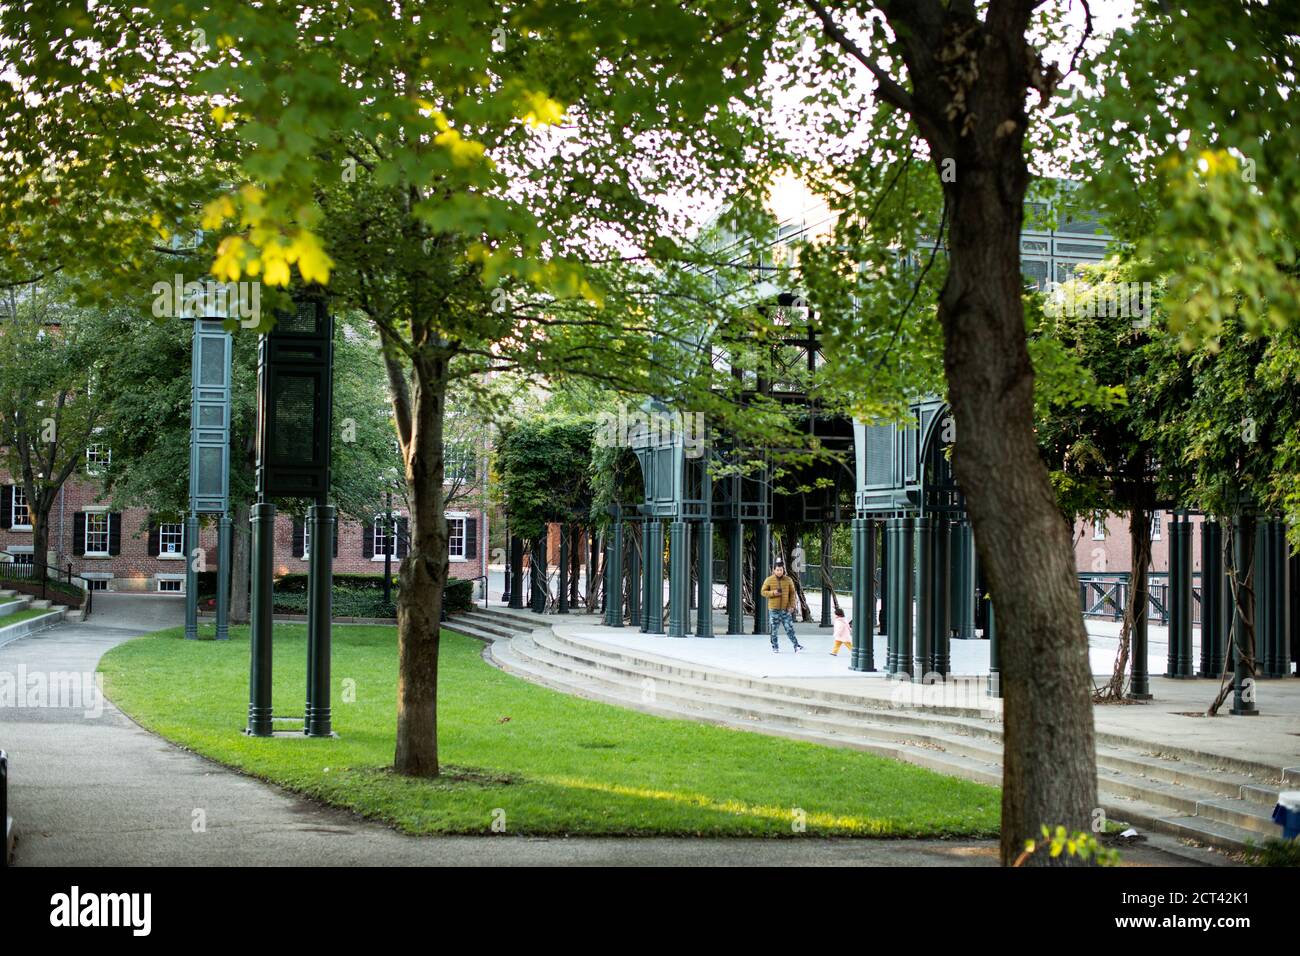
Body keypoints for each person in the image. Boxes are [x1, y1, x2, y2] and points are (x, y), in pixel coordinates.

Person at [761, 560, 803, 653]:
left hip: (785, 609)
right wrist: (773, 593)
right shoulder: (769, 580)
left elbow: (792, 594)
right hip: (774, 610)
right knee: (774, 630)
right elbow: (763, 592)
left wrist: (792, 606)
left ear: (783, 570)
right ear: (774, 570)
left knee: (789, 628)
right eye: (777, 570)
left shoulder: (788, 580)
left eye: (781, 570)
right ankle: (775, 647)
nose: (779, 572)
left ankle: (796, 646)